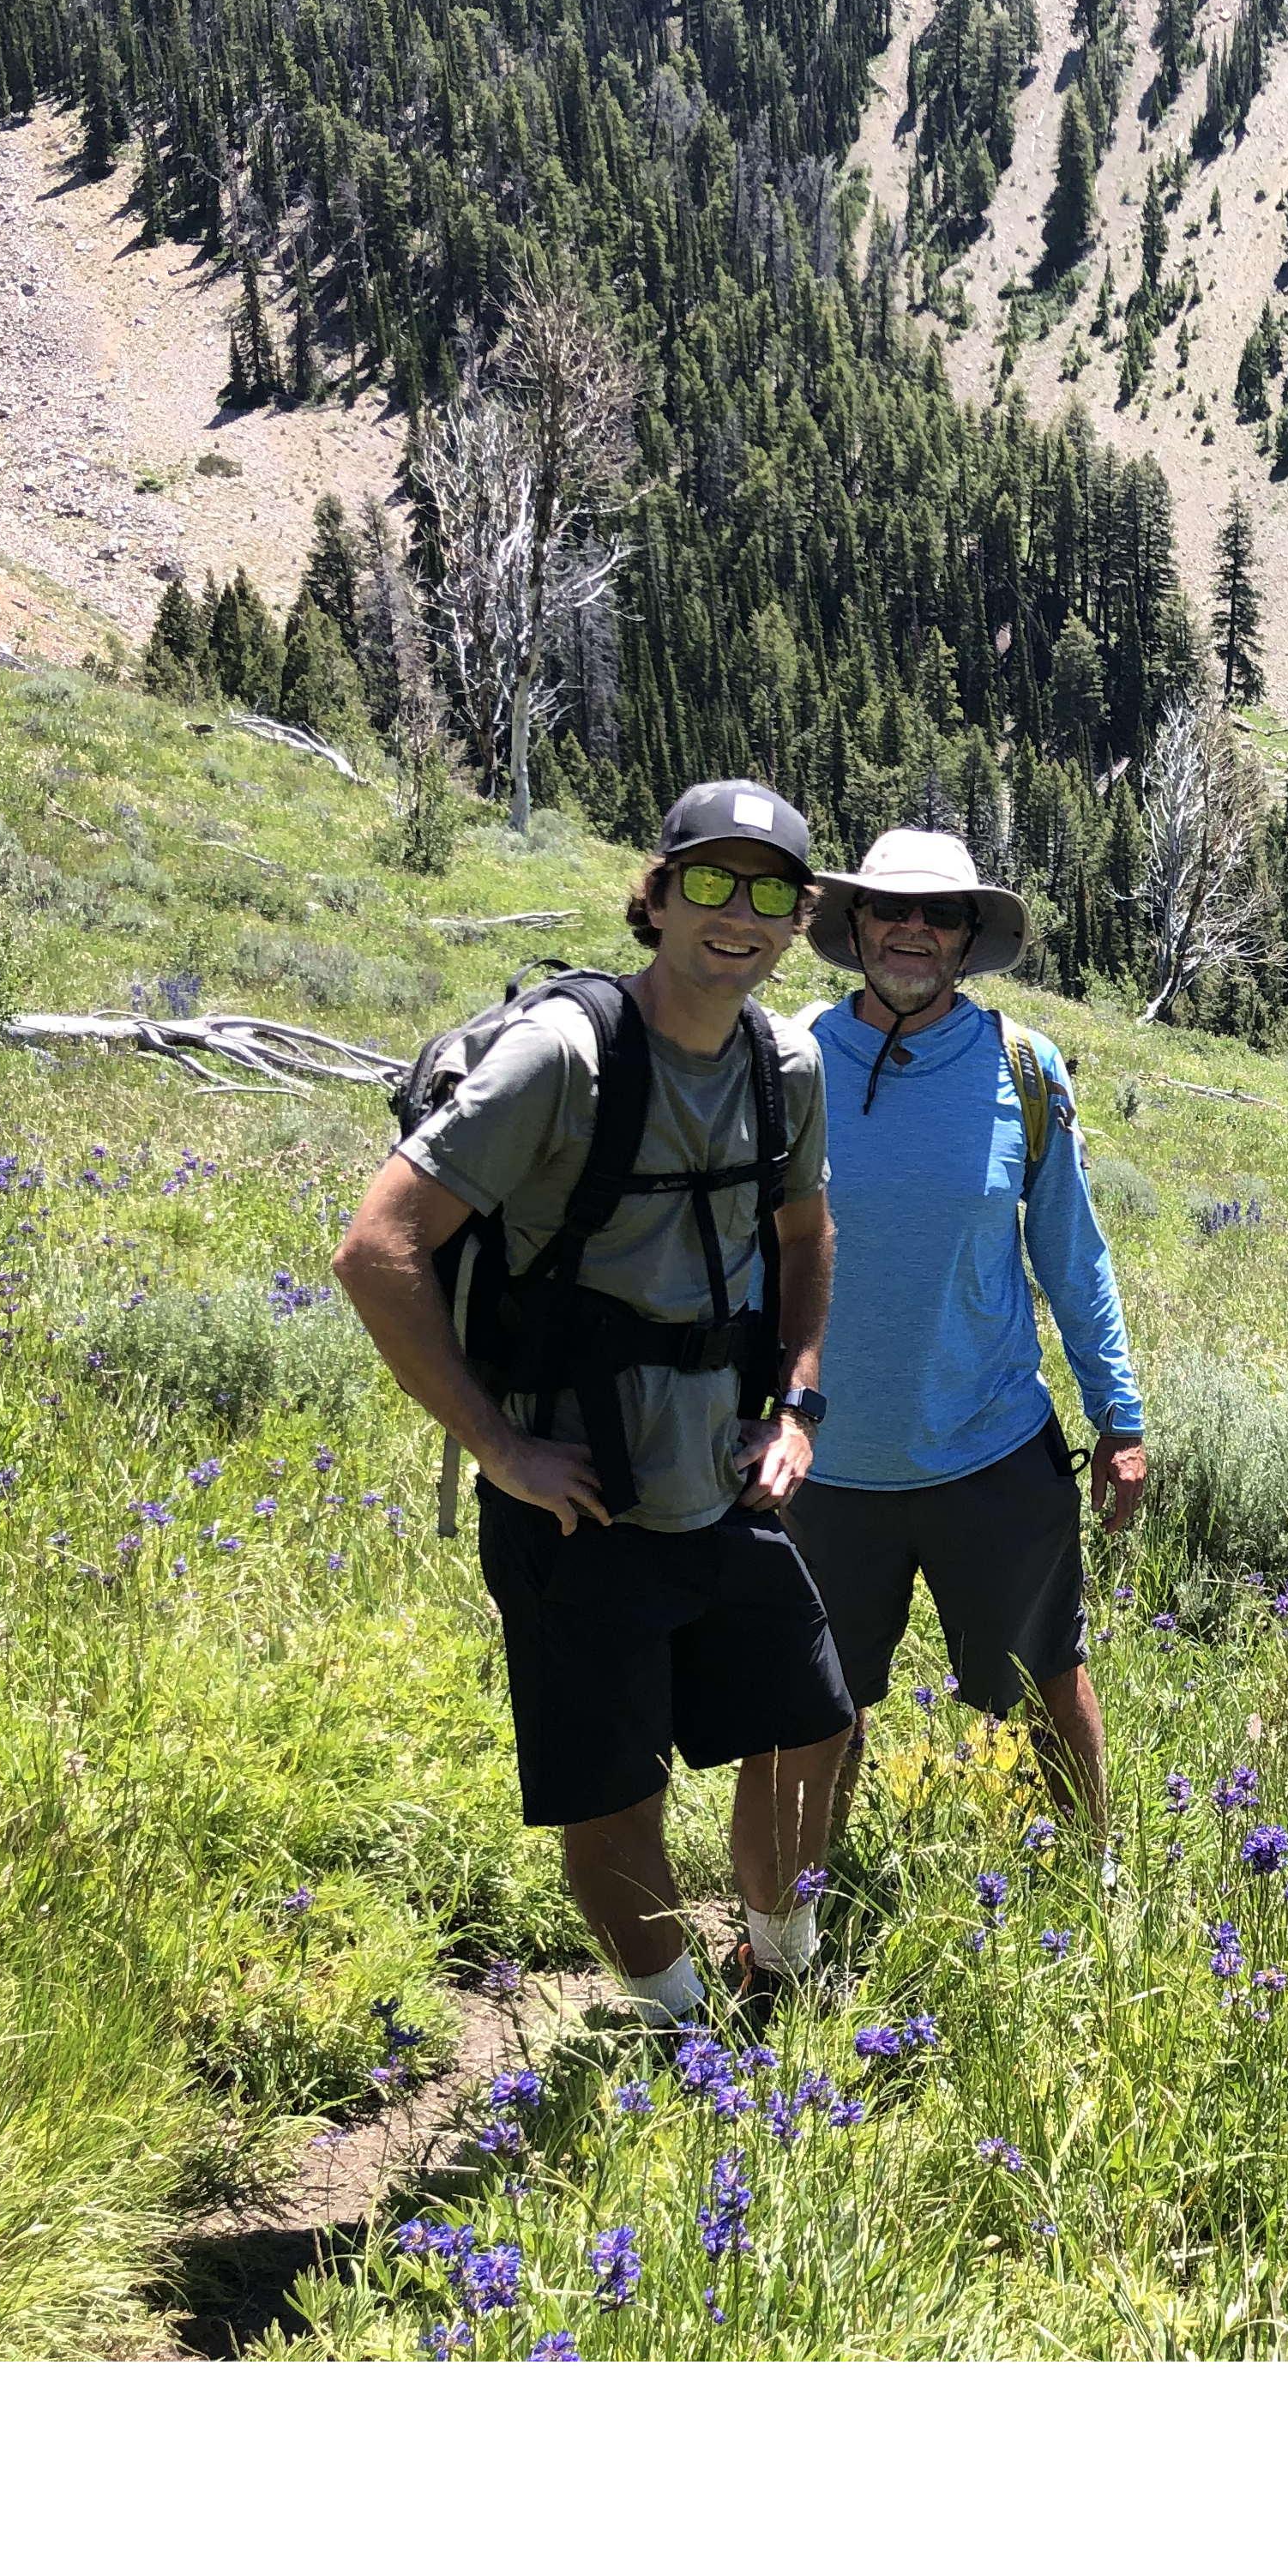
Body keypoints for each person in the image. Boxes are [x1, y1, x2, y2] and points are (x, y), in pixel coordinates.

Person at [332, 781, 854, 2027]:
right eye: (713, 883)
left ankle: (779, 1963)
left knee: (812, 1717)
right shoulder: (563, 1057)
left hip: (722, 1465)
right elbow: (377, 1248)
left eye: (770, 891)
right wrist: (501, 1448)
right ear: (659, 893)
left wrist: (796, 1406)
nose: (739, 914)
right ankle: (679, 2030)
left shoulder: (784, 1065)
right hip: (579, 1487)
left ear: (798, 921)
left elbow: (806, 1237)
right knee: (612, 1789)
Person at [787, 829, 1147, 1864]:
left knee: (1043, 1677)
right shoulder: (792, 1055)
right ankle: (794, 1918)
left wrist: (1118, 1416)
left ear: (967, 937)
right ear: (854, 925)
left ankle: (1093, 1880)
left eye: (940, 913)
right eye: (893, 910)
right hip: (821, 1463)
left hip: (990, 1452)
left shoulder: (1021, 1068)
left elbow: (1075, 1257)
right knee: (817, 1707)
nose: (913, 929)